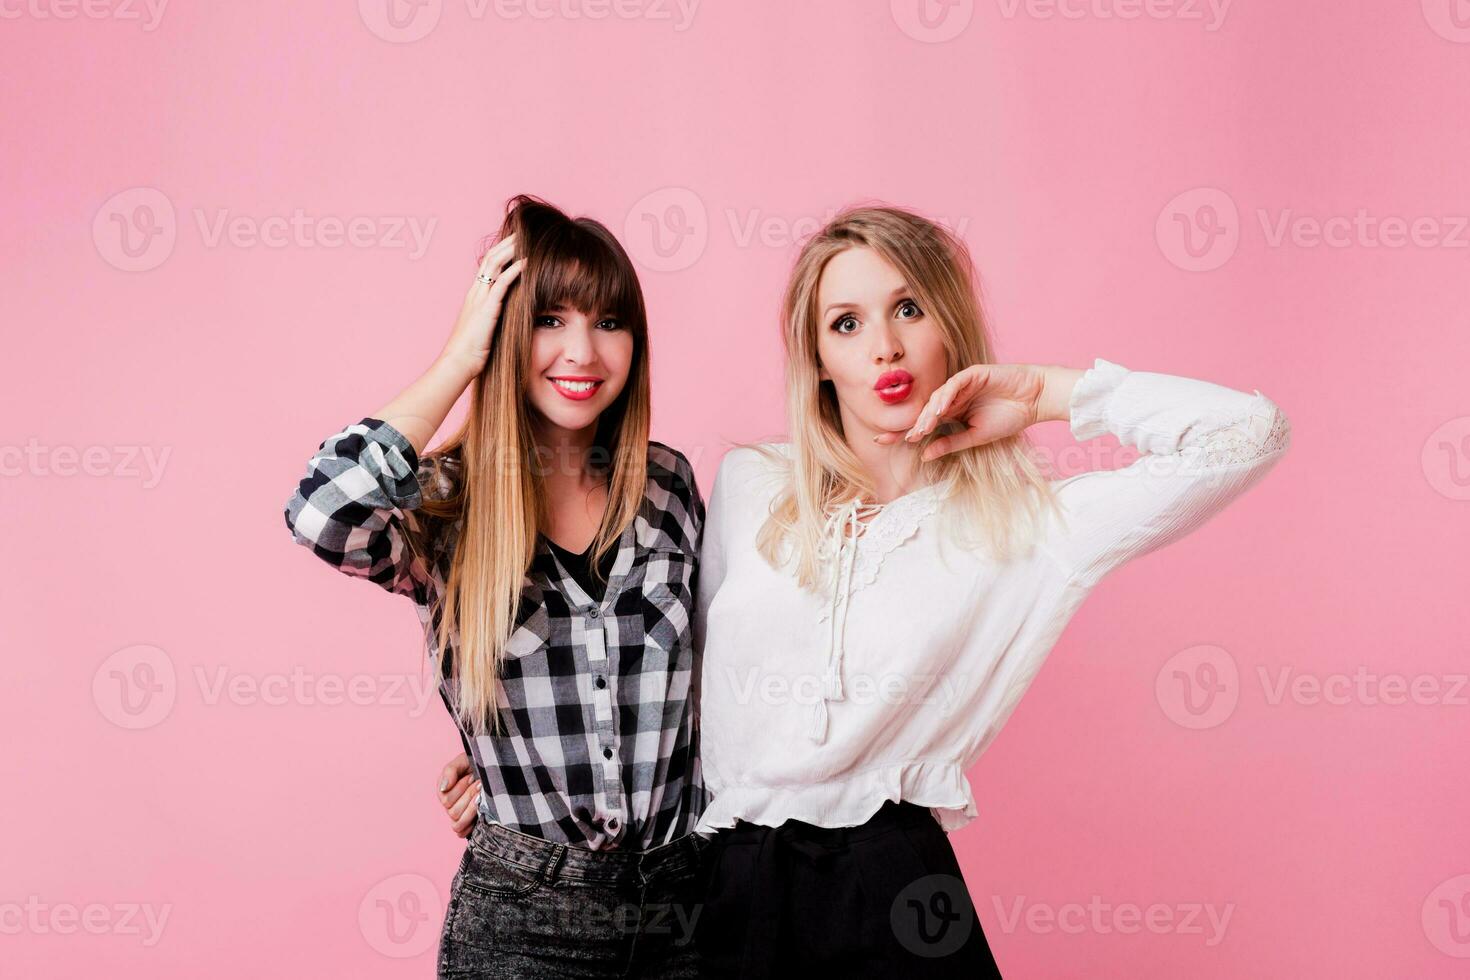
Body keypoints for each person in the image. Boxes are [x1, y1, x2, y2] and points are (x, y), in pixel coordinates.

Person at [687, 205, 1292, 978]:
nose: (885, 347)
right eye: (846, 323)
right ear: (816, 358)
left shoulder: (1024, 525)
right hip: (727, 884)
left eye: (909, 308)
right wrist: (494, 769)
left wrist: (1047, 392)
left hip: (894, 884)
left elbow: (1250, 432)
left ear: (950, 326)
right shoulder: (750, 486)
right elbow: (684, 696)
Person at [283, 195, 709, 979]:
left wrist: (515, 762)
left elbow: (705, 695)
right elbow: (321, 511)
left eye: (610, 322)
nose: (583, 350)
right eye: (550, 319)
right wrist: (458, 360)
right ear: (504, 328)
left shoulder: (669, 486)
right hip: (524, 921)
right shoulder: (444, 503)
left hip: (690, 908)